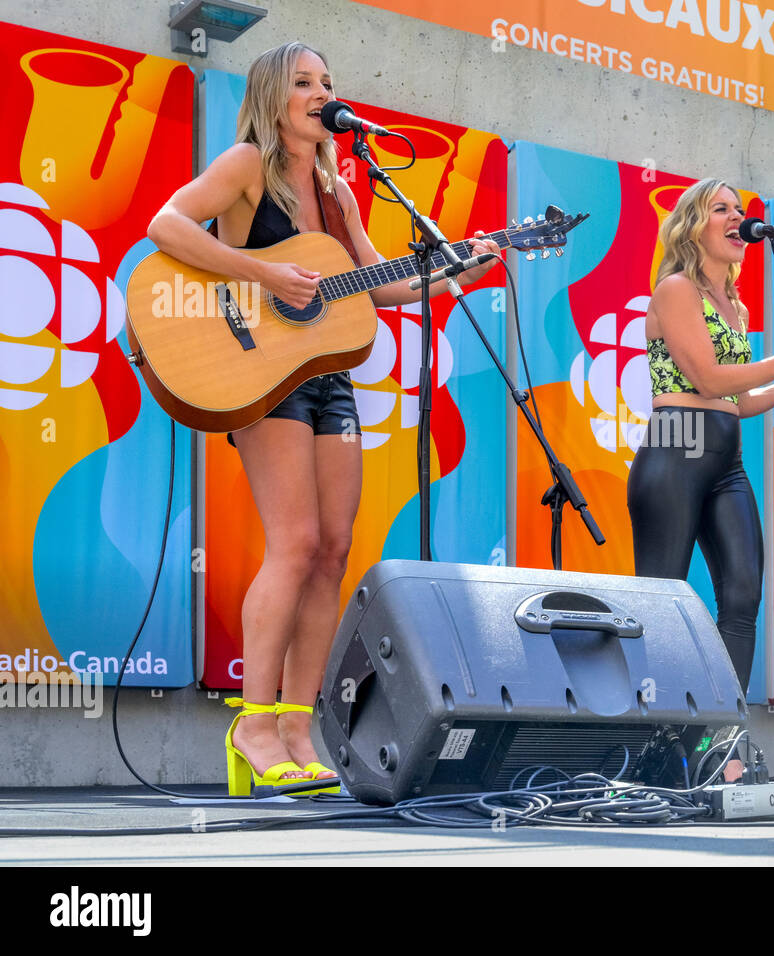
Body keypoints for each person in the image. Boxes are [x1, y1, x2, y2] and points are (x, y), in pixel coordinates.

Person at [147, 42, 498, 794]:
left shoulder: (340, 189)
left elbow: (380, 288)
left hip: (330, 377)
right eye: (305, 82)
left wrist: (463, 265)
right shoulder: (246, 164)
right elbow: (165, 226)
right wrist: (265, 271)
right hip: (260, 373)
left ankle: (301, 725)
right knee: (296, 542)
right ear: (275, 96)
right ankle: (253, 722)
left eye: (329, 83)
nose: (321, 93)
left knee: (335, 549)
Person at [626, 178, 774, 691]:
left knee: (742, 598)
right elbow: (708, 380)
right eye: (722, 209)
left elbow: (734, 403)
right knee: (660, 599)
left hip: (725, 460)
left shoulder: (736, 307)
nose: (738, 218)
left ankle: (725, 741)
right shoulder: (675, 289)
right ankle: (655, 735)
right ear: (694, 228)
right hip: (675, 449)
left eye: (740, 209)